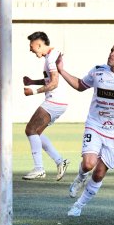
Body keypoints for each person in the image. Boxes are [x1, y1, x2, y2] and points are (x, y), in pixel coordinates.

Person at [56, 40, 114, 217]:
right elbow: (80, 85)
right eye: (111, 50)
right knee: (88, 164)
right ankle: (80, 178)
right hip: (95, 125)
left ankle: (79, 205)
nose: (111, 54)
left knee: (100, 172)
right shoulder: (98, 71)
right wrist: (61, 70)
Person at [22, 31, 70, 181]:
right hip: (58, 102)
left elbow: (54, 83)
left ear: (39, 44)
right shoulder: (51, 56)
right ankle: (60, 161)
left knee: (30, 130)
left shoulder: (51, 58)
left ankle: (39, 169)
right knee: (37, 132)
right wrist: (32, 82)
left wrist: (33, 91)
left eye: (32, 46)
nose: (30, 49)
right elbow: (50, 80)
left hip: (55, 101)